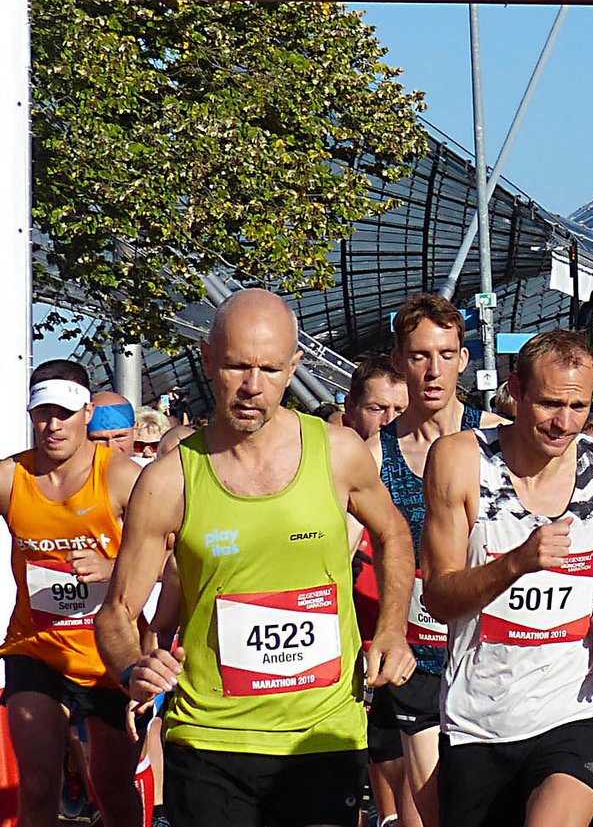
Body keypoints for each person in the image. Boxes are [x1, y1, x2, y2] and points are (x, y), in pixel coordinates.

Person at [97, 288, 417, 827]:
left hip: (322, 734)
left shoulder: (337, 452)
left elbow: (394, 535)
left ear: (293, 366)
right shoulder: (169, 480)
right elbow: (117, 613)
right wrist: (134, 667)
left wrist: (390, 629)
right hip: (210, 739)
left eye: (270, 369)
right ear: (205, 359)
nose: (251, 387)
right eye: (236, 366)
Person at [419, 330, 593, 827]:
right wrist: (515, 562)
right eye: (549, 404)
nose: (564, 423)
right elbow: (440, 598)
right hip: (480, 718)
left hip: (572, 708)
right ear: (515, 390)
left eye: (579, 406)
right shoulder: (460, 461)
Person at [374, 294, 508, 827]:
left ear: (463, 359)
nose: (434, 370)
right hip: (419, 654)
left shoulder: (498, 434)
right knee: (428, 809)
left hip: (494, 647)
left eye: (446, 354)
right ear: (399, 360)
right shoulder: (373, 453)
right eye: (420, 355)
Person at [4, 361, 150, 827]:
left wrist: (111, 569)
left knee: (111, 787)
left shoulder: (122, 477)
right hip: (36, 647)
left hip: (110, 653)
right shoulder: (11, 478)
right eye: (43, 413)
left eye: (64, 413)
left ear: (87, 412)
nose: (53, 425)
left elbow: (175, 562)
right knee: (38, 782)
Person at [341, 355, 413, 827]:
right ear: (350, 408)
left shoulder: (427, 460)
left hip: (411, 626)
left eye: (398, 410)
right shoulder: (331, 464)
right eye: (376, 408)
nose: (388, 421)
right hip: (348, 627)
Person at [88, 392, 141, 459]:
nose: (111, 448)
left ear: (135, 432)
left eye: (119, 437)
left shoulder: (150, 469)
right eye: (100, 439)